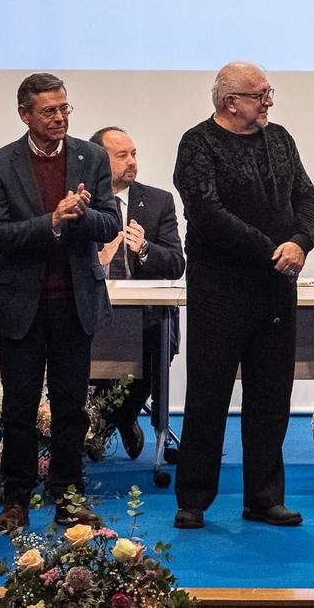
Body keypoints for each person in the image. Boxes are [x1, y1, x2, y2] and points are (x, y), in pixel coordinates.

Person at [172, 62, 314, 529]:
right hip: (220, 286)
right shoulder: (197, 144)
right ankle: (193, 498)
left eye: (269, 92)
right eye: (261, 94)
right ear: (230, 101)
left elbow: (307, 196)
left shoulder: (281, 139)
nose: (269, 102)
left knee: (271, 395)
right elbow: (207, 213)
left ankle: (263, 497)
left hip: (277, 286)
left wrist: (301, 242)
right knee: (207, 394)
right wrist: (273, 251)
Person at [0, 73, 118, 533]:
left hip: (74, 304)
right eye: (49, 111)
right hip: (23, 305)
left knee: (70, 408)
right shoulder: (0, 163)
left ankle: (68, 497)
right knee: (19, 407)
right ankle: (16, 501)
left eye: (65, 109)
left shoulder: (92, 156)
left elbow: (109, 224)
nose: (59, 118)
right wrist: (52, 221)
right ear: (25, 114)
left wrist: (79, 218)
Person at [87, 126, 184, 460]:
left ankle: (120, 418)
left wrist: (144, 248)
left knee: (151, 343)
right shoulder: (80, 202)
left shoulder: (157, 202)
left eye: (134, 154)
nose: (132, 162)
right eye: (122, 155)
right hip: (92, 312)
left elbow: (176, 264)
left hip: (145, 318)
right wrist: (95, 263)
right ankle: (107, 421)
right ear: (99, 162)